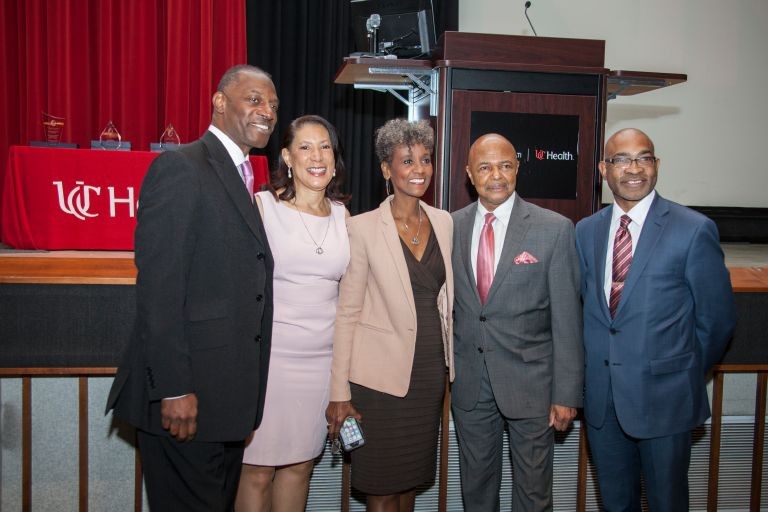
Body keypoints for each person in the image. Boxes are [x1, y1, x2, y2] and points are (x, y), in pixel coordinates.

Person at [105, 64, 278, 511]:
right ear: (219, 103)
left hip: (225, 405)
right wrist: (174, 388)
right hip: (186, 402)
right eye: (255, 99)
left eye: (273, 105)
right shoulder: (180, 167)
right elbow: (160, 289)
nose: (268, 111)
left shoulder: (242, 174)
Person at [575, 128, 736, 511]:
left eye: (643, 158)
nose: (634, 168)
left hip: (666, 400)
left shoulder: (693, 229)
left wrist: (679, 372)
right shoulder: (586, 232)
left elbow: (717, 321)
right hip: (603, 402)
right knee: (615, 504)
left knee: (667, 503)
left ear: (656, 165)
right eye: (622, 159)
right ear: (603, 169)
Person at [326, 118, 454, 512]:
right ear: (387, 169)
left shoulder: (445, 222)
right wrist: (339, 393)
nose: (419, 170)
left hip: (428, 374)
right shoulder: (362, 228)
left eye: (426, 159)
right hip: (378, 381)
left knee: (410, 485)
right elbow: (347, 313)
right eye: (408, 161)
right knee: (381, 488)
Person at [451, 133, 583, 512]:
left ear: (517, 169)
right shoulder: (450, 227)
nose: (496, 175)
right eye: (485, 167)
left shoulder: (554, 229)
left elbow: (567, 320)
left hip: (533, 387)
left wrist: (566, 394)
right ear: (469, 175)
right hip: (471, 384)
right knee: (476, 490)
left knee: (533, 494)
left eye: (505, 165)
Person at [235, 115, 351, 511]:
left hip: (321, 366)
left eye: (325, 147)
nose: (316, 156)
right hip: (269, 363)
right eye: (305, 147)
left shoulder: (343, 216)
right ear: (286, 156)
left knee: (301, 466)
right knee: (256, 471)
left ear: (335, 159)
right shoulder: (263, 207)